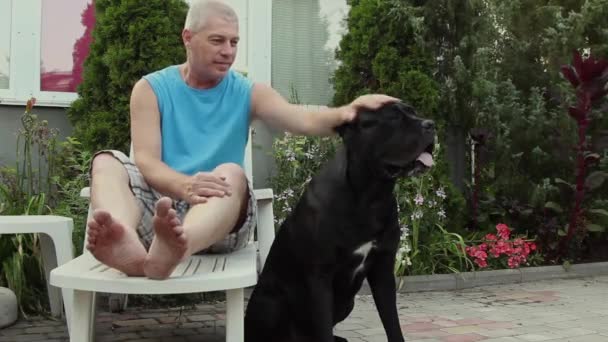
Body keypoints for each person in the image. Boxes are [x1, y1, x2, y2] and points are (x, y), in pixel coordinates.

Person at [86, 0, 399, 280]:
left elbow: (300, 119)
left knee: (232, 174)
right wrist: (186, 186)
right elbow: (147, 161)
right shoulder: (151, 89)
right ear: (187, 38)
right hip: (158, 214)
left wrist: (349, 112)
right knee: (106, 161)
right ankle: (121, 237)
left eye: (234, 42)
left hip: (218, 222)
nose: (228, 51)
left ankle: (176, 247)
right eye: (218, 40)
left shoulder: (248, 92)